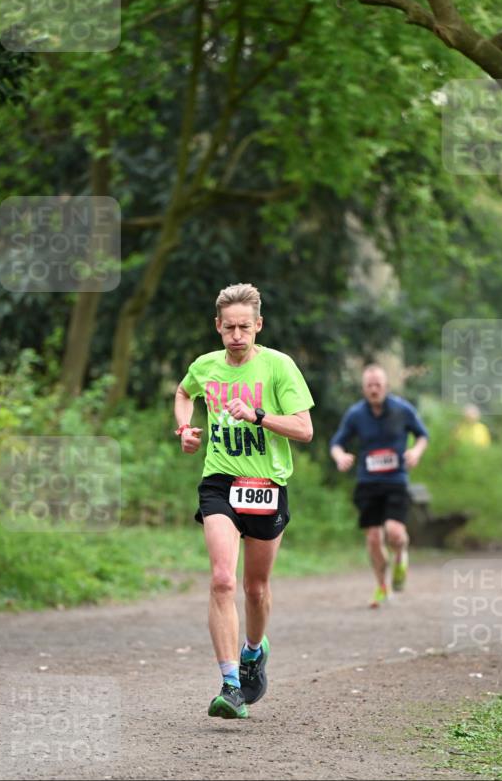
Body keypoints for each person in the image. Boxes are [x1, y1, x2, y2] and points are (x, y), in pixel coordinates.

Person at [174, 283, 314, 719]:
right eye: (229, 327)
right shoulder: (205, 366)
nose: (237, 336)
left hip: (266, 484)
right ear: (218, 326)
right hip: (219, 481)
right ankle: (231, 685)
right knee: (222, 580)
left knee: (256, 589)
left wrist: (258, 415)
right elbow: (184, 393)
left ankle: (254, 651)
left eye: (245, 328)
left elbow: (304, 429)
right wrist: (185, 429)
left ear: (259, 326)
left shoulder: (278, 367)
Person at [330, 364, 429, 608]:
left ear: (386, 386)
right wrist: (340, 457)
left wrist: (416, 452)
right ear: (363, 388)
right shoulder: (356, 414)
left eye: (378, 385)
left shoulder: (402, 409)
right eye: (369, 386)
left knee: (395, 532)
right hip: (367, 482)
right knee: (374, 538)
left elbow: (422, 435)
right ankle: (382, 586)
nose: (374, 389)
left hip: (396, 480)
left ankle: (401, 554)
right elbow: (337, 443)